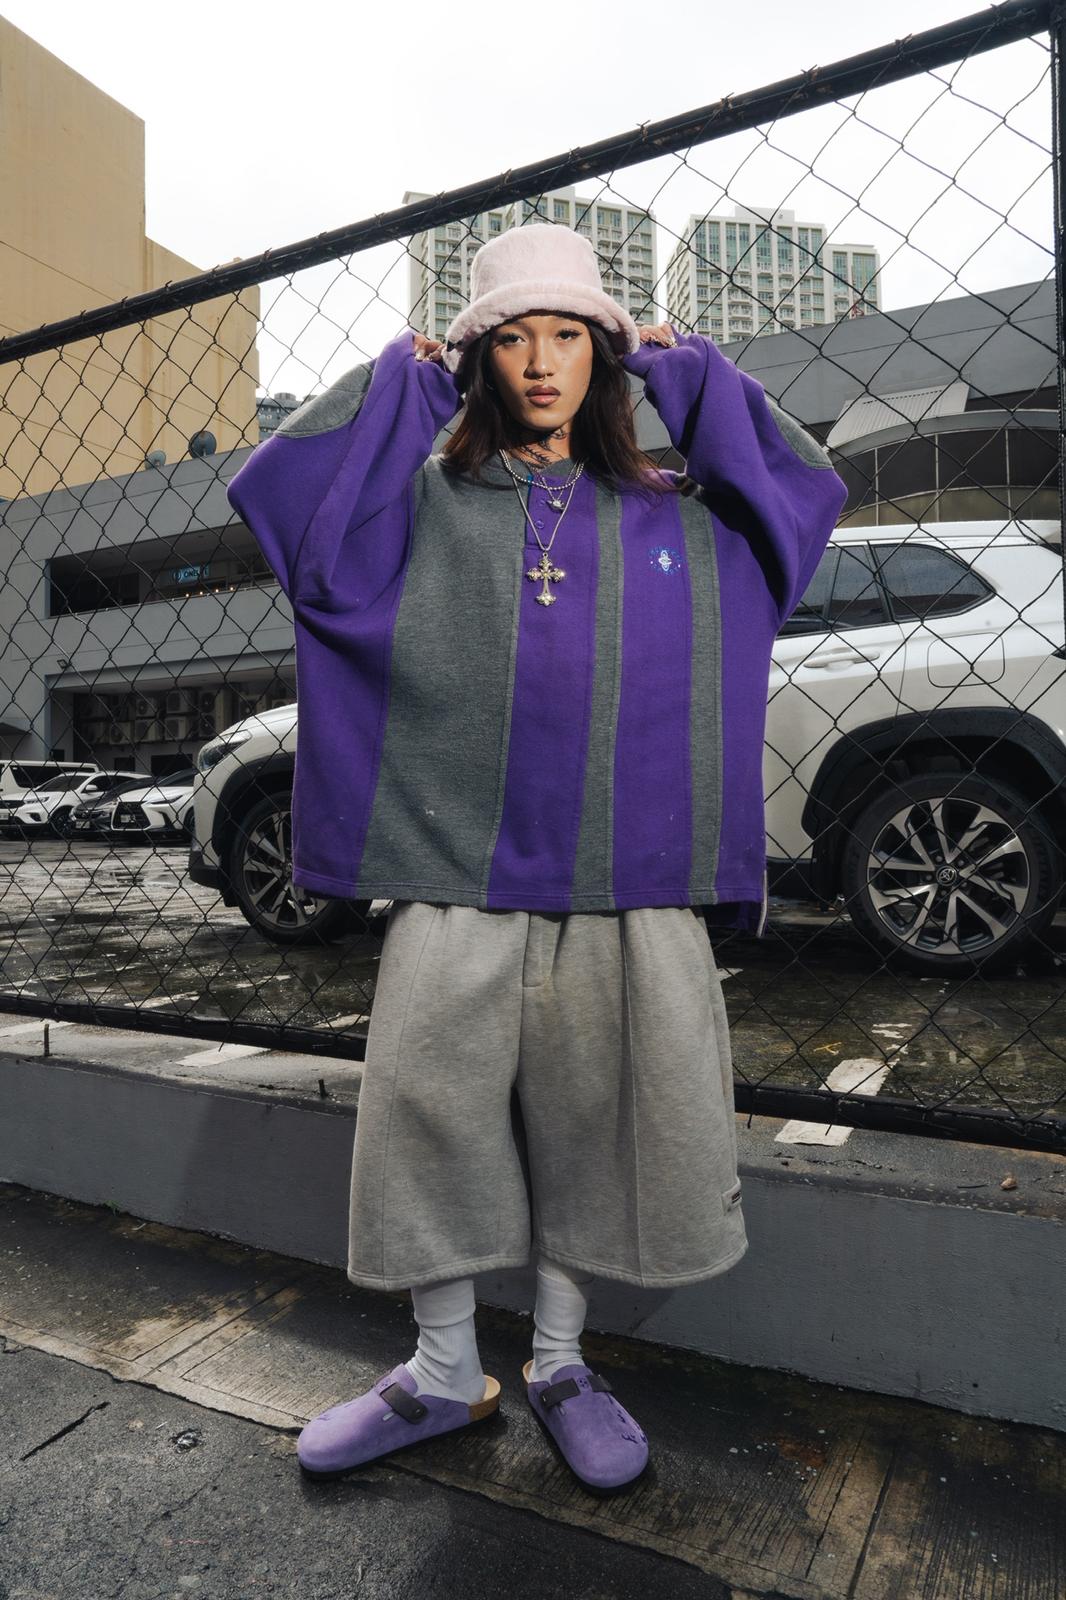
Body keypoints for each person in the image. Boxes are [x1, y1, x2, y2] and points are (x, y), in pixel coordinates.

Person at [226, 222, 847, 1493]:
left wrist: (691, 375)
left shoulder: (680, 518)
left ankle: (561, 1362)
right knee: (428, 1121)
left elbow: (803, 499)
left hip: (630, 878)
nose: (543, 361)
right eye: (511, 337)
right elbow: (293, 515)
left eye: (569, 332)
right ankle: (442, 1370)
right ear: (478, 358)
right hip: (454, 868)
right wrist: (401, 387)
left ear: (604, 352)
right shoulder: (423, 507)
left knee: (597, 1124)